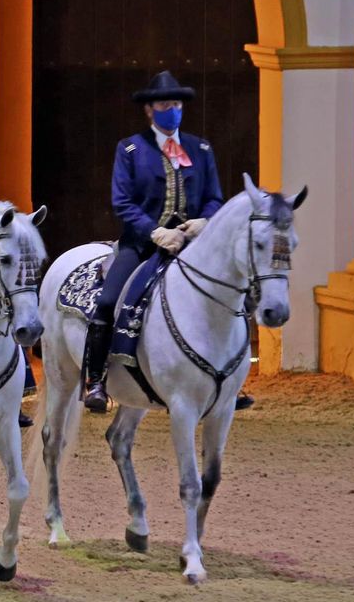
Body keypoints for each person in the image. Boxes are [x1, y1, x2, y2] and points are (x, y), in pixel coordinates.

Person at [82, 70, 252, 413]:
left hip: (192, 244)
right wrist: (156, 231)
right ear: (149, 110)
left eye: (176, 104)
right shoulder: (130, 149)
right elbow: (123, 202)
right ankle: (96, 379)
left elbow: (214, 197)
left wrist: (203, 221)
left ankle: (231, 380)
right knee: (108, 300)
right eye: (164, 104)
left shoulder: (200, 148)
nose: (171, 110)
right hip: (144, 243)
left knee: (232, 298)